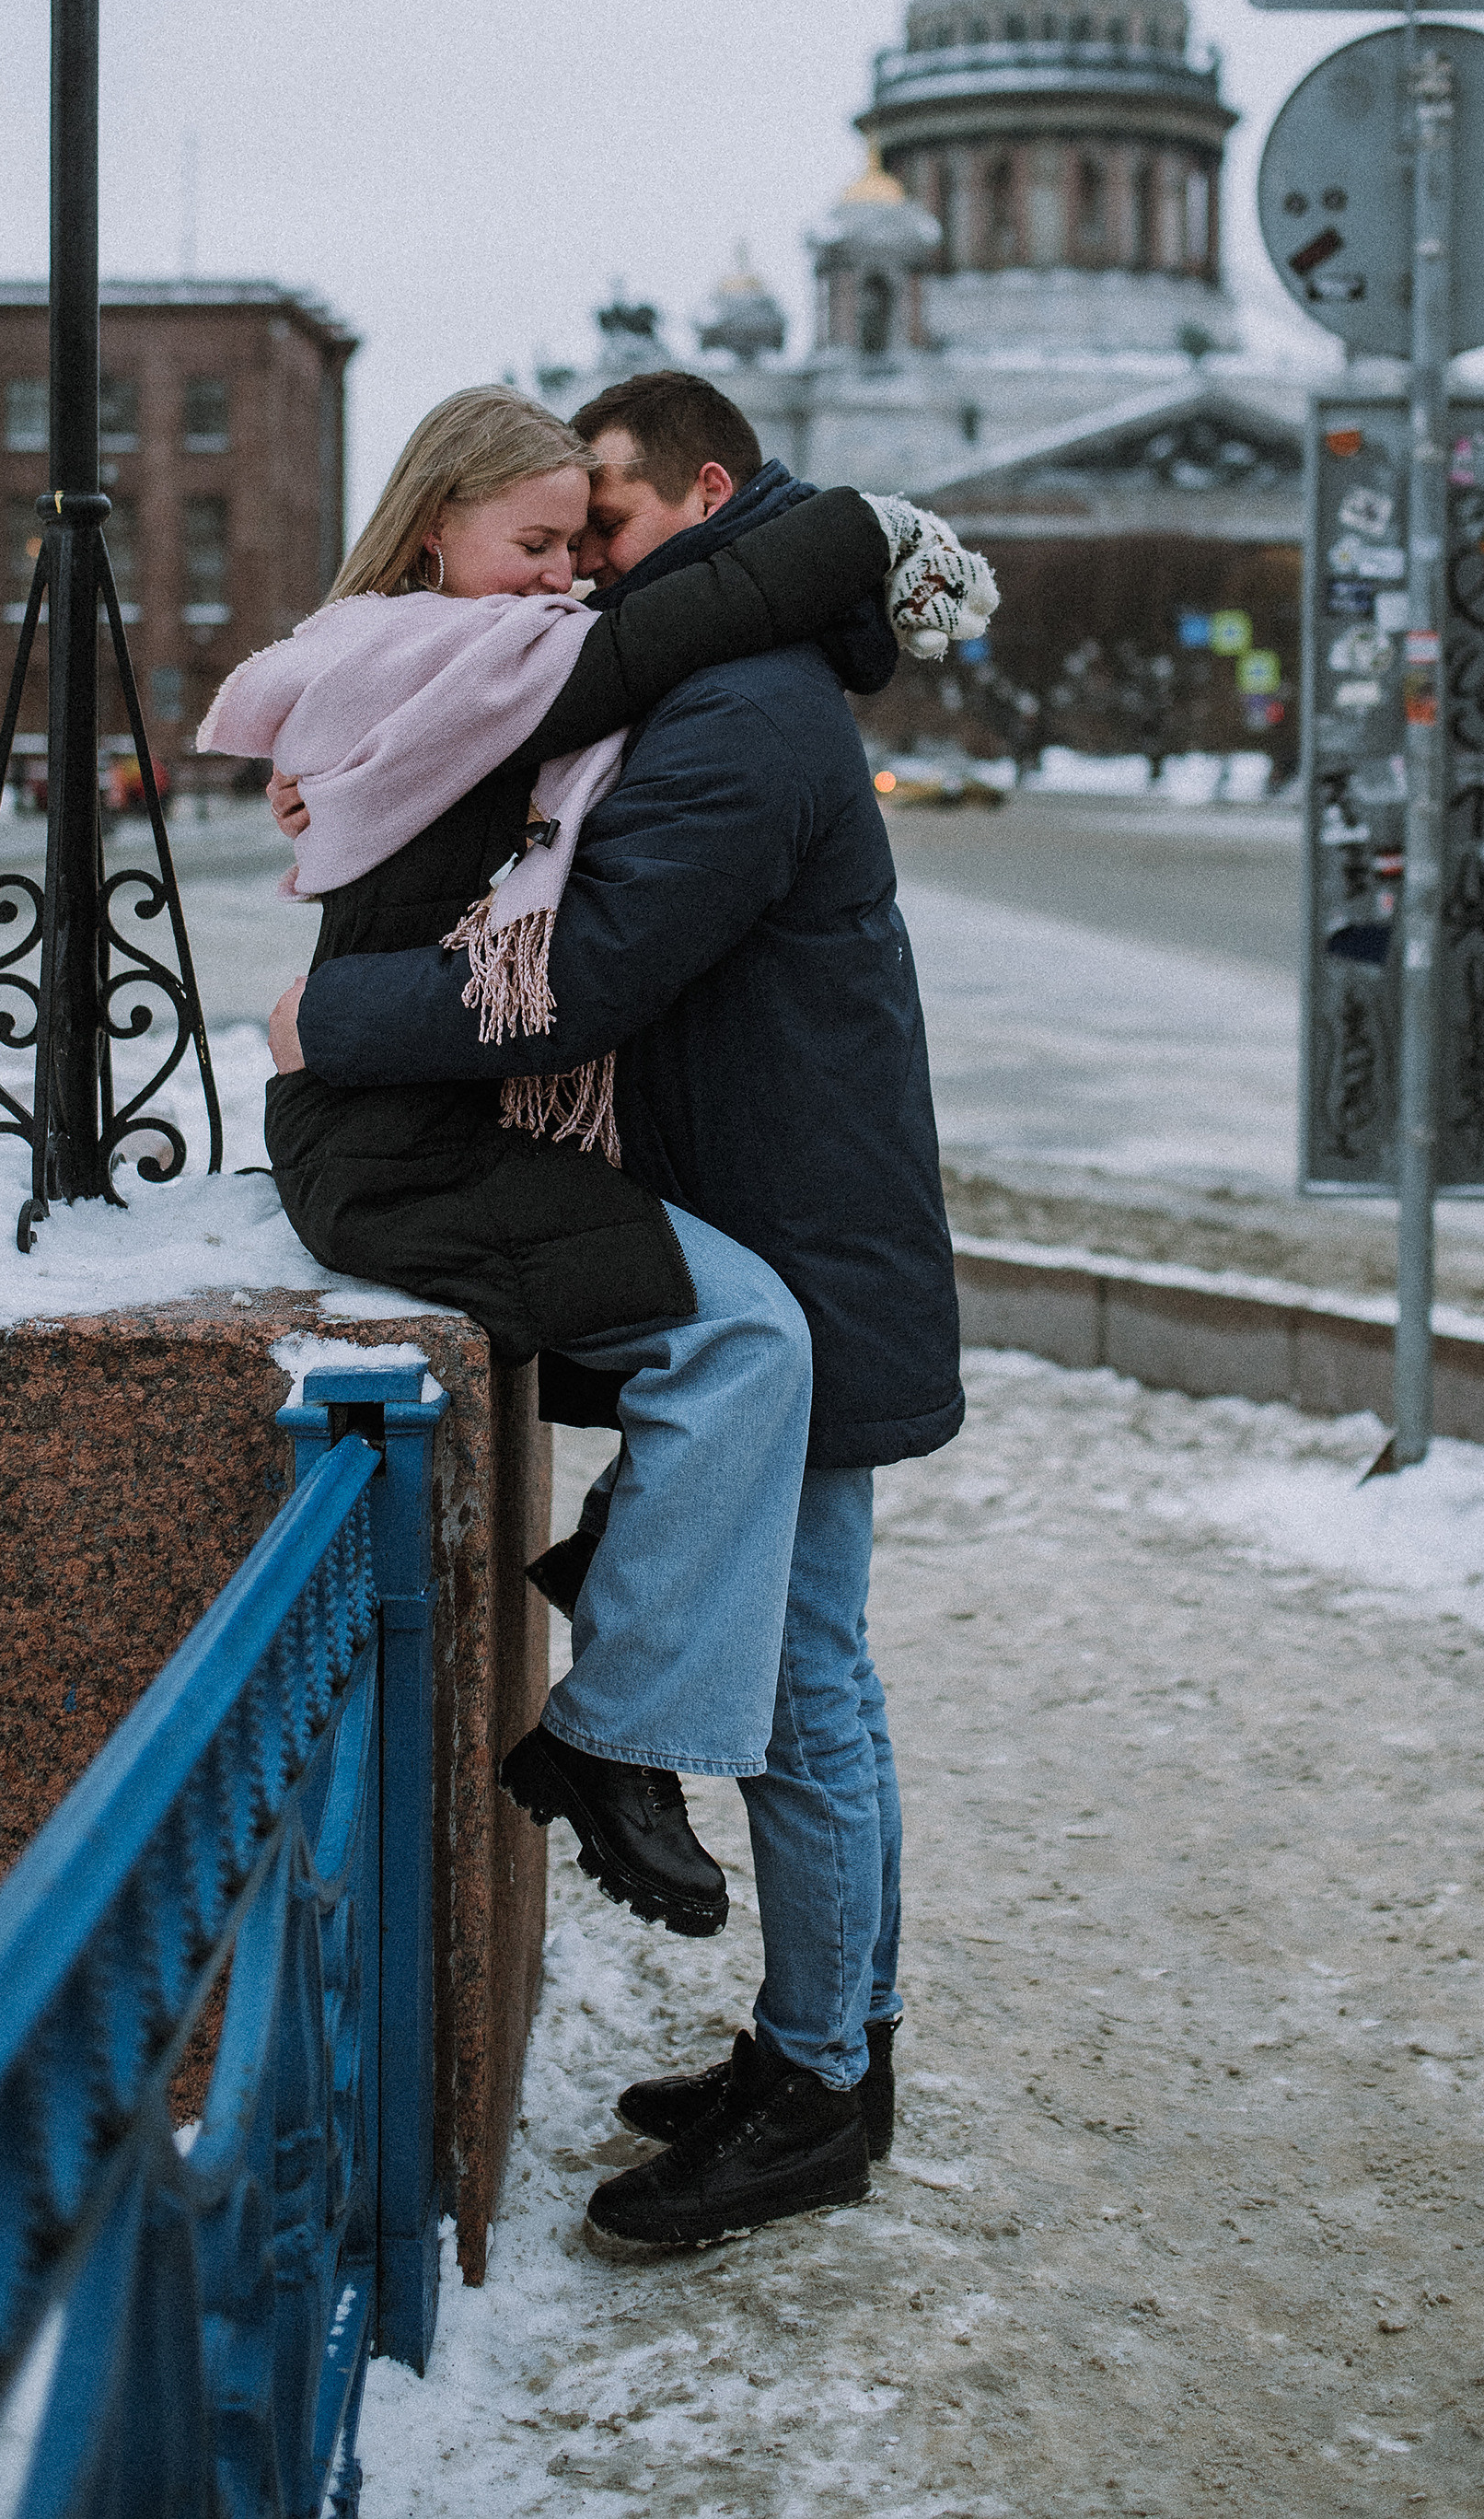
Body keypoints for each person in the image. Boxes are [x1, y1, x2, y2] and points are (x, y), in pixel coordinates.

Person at [267, 370, 981, 2257]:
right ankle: (828, 2049)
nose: (590, 573)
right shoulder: (722, 679)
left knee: (810, 1691)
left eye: (609, 525)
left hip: (797, 1247)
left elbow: (584, 973)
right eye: (560, 536)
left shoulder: (743, 714)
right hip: (788, 1218)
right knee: (824, 1679)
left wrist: (327, 1019)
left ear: (709, 501)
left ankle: (817, 2088)